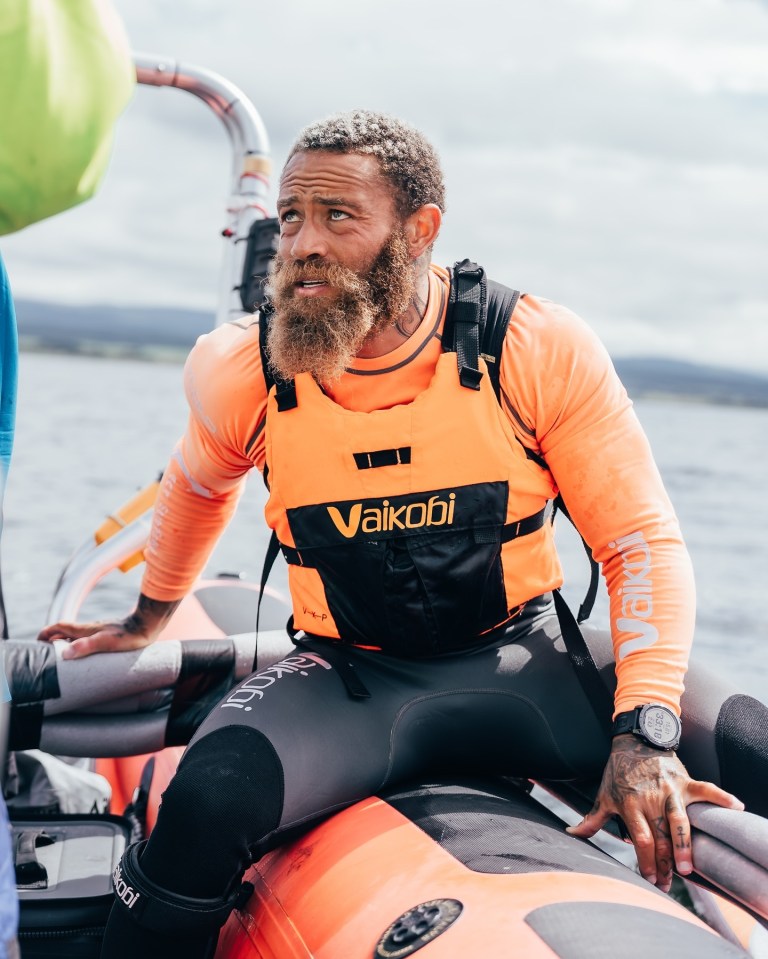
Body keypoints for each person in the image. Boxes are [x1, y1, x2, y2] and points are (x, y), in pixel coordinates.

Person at [40, 112, 745, 959]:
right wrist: (149, 617)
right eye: (290, 217)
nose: (300, 243)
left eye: (338, 216)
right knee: (208, 802)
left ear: (419, 231)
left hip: (533, 663)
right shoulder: (243, 369)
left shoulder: (529, 347)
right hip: (353, 680)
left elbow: (640, 543)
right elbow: (196, 488)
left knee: (755, 742)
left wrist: (645, 731)